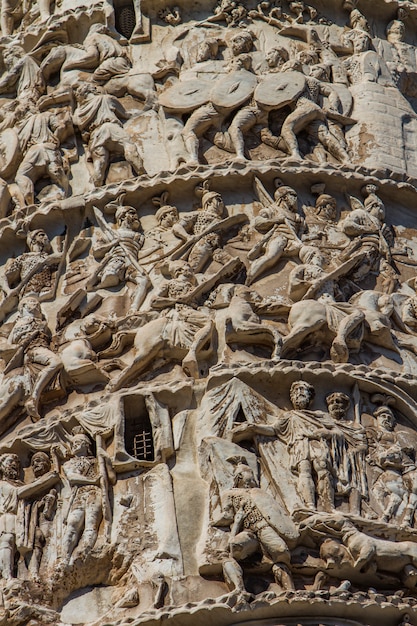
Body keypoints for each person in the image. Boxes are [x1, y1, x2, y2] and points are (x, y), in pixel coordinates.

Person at [61, 429, 115, 564]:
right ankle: (64, 558)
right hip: (79, 494)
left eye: (78, 443)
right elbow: (72, 478)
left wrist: (106, 459)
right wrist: (93, 481)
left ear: (86, 445)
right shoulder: (69, 463)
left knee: (91, 524)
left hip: (94, 493)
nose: (74, 446)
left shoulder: (97, 461)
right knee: (73, 523)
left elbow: (112, 478)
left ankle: (84, 553)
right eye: (73, 444)